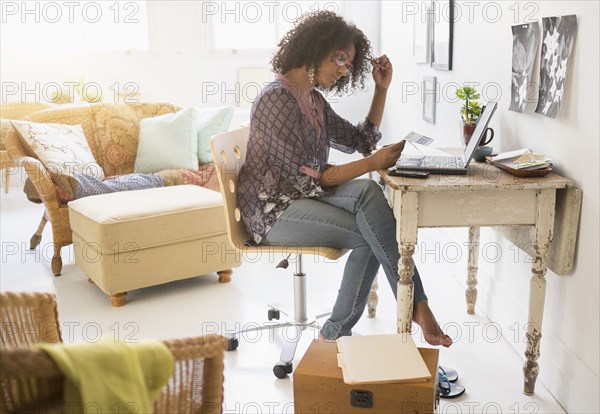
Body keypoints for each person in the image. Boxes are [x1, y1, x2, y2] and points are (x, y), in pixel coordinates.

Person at [236, 10, 452, 347]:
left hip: (301, 197)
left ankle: (405, 308)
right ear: (315, 47)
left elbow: (360, 140)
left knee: (367, 197)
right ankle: (368, 323)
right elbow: (311, 179)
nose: (343, 69)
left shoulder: (313, 100)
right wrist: (373, 162)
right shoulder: (276, 100)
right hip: (271, 212)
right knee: (371, 232)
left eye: (349, 64)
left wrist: (381, 90)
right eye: (340, 58)